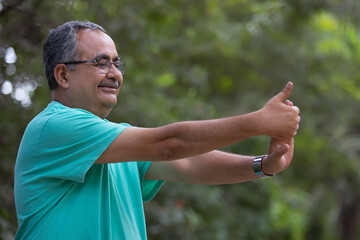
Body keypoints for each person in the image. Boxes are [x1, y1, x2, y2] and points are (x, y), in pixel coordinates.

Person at [14, 20, 300, 240]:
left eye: (116, 63)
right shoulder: (53, 128)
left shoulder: (115, 142)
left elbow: (188, 163)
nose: (115, 73)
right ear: (63, 75)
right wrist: (257, 122)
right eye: (101, 63)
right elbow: (169, 144)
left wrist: (264, 165)